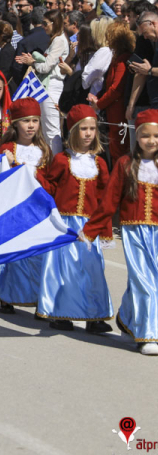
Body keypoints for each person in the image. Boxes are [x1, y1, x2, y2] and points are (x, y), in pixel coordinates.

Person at [82, 109, 158, 355]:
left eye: (157, 136)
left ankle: (126, 318)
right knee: (145, 283)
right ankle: (148, 335)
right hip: (133, 232)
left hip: (156, 234)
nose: (152, 141)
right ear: (137, 135)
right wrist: (91, 230)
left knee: (149, 281)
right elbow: (109, 201)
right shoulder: (126, 164)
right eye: (146, 135)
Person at [35, 105, 114, 332]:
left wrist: (105, 230)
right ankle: (61, 313)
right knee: (64, 270)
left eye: (92, 129)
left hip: (89, 226)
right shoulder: (62, 160)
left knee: (92, 270)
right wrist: (36, 174)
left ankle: (94, 316)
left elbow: (104, 200)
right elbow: (49, 187)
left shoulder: (99, 163)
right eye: (83, 129)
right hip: (66, 225)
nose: (88, 133)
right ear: (73, 131)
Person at [0, 97, 52, 310]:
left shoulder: (44, 150)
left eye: (35, 120)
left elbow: (50, 182)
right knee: (13, 257)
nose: (31, 125)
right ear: (15, 124)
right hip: (14, 210)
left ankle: (36, 296)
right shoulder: (7, 148)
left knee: (36, 256)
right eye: (26, 121)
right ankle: (8, 296)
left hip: (37, 210)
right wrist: (6, 163)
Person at [14, 10, 68, 155]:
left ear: (54, 23)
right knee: (44, 129)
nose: (43, 27)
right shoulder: (55, 39)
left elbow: (46, 67)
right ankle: (49, 161)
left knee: (51, 130)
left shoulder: (59, 40)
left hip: (53, 86)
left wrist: (32, 62)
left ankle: (56, 163)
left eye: (45, 23)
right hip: (48, 85)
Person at [88, 21, 136, 165]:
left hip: (118, 114)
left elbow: (116, 89)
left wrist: (99, 104)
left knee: (119, 153)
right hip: (115, 113)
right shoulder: (121, 58)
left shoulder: (123, 60)